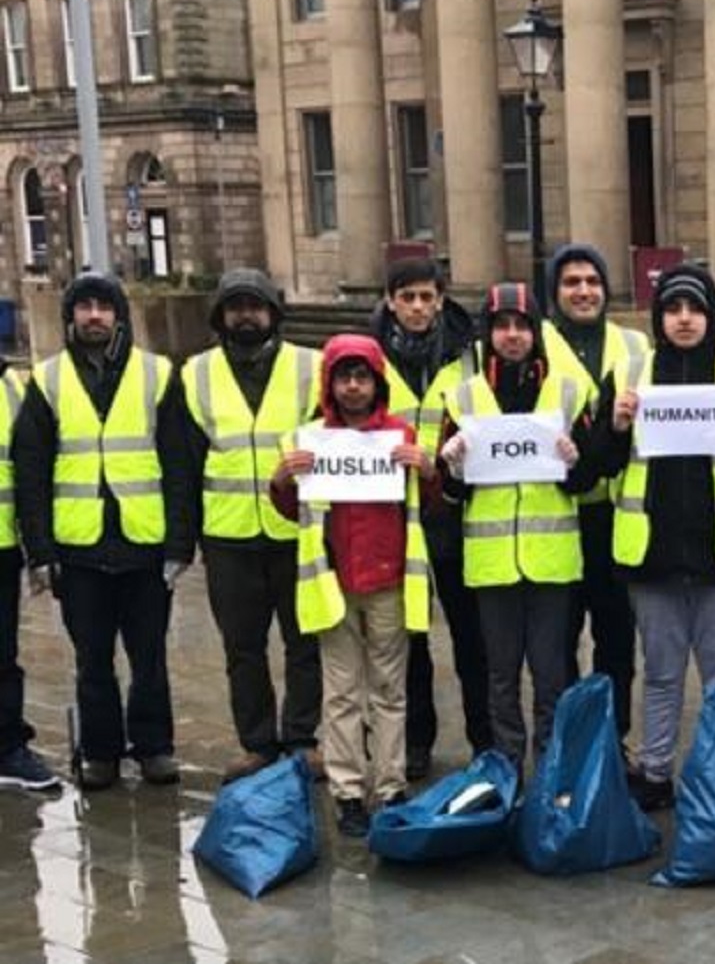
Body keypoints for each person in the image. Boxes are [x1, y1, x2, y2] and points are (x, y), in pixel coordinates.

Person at [593, 264, 715, 809]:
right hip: (653, 554)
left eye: (695, 309)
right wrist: (616, 427)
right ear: (658, 317)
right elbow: (600, 463)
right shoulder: (629, 375)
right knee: (661, 674)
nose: (685, 320)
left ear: (711, 316)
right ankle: (656, 771)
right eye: (673, 309)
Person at [14, 272, 195, 790]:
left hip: (144, 542)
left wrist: (180, 542)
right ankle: (101, 752)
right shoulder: (47, 381)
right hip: (79, 548)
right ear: (70, 317)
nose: (94, 316)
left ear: (119, 315)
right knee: (93, 660)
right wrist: (40, 551)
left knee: (150, 657)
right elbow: (32, 470)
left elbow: (178, 462)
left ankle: (154, 747)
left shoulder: (157, 374)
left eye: (104, 307)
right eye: (84, 307)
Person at [270, 334, 438, 838]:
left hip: (389, 580)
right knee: (340, 693)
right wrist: (281, 479)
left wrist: (427, 471)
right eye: (343, 376)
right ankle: (347, 791)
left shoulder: (400, 435)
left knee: (390, 690)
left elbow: (429, 505)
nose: (352, 386)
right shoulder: (310, 439)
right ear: (329, 383)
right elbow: (289, 511)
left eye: (361, 376)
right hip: (332, 580)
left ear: (377, 381)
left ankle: (389, 784)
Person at [438, 284, 599, 773]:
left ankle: (550, 768)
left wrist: (576, 460)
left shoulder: (568, 392)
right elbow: (450, 491)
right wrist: (452, 466)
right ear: (488, 334)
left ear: (536, 331)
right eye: (501, 325)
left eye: (521, 325)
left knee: (552, 675)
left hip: (551, 561)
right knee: (500, 676)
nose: (512, 335)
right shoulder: (462, 397)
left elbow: (588, 478)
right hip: (491, 566)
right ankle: (507, 767)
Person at [184, 269, 323, 783]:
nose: (246, 315)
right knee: (242, 647)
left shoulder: (311, 367)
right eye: (235, 306)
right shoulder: (195, 374)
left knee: (305, 641)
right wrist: (186, 538)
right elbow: (184, 460)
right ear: (220, 316)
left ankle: (302, 737)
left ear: (274, 314)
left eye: (256, 306)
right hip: (228, 534)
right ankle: (257, 742)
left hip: (296, 530)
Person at [372, 256, 490, 781]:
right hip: (395, 515)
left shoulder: (471, 354)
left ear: (441, 299)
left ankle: (483, 737)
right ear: (390, 301)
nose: (418, 307)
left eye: (426, 296)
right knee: (410, 636)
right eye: (407, 297)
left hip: (457, 513)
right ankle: (416, 741)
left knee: (472, 637)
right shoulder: (370, 357)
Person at [546, 244, 649, 738]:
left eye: (592, 281)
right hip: (558, 514)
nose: (584, 291)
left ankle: (615, 739)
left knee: (616, 640)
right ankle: (571, 742)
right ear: (555, 293)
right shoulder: (537, 341)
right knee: (559, 641)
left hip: (618, 512)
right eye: (571, 283)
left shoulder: (634, 345)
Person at [0, 356, 59, 790]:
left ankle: (7, 748)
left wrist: (38, 550)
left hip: (1, 546)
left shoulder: (14, 389)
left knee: (3, 656)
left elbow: (31, 472)